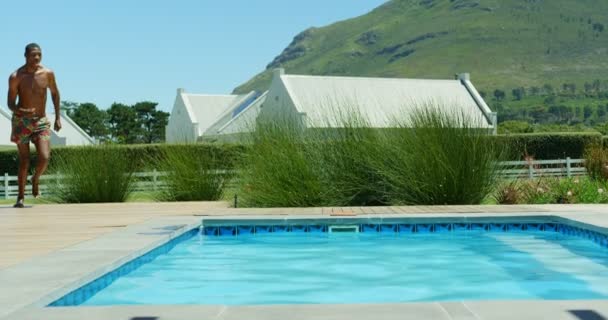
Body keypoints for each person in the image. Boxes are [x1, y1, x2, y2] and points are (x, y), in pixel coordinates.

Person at [7, 43, 61, 208]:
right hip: (21, 121)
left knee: (44, 157)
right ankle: (21, 197)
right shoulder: (16, 76)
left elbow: (55, 94)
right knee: (24, 161)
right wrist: (21, 110)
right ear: (26, 56)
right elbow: (10, 103)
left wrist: (58, 117)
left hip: (41, 121)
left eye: (39, 55)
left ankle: (35, 179)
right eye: (33, 55)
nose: (36, 58)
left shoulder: (48, 74)